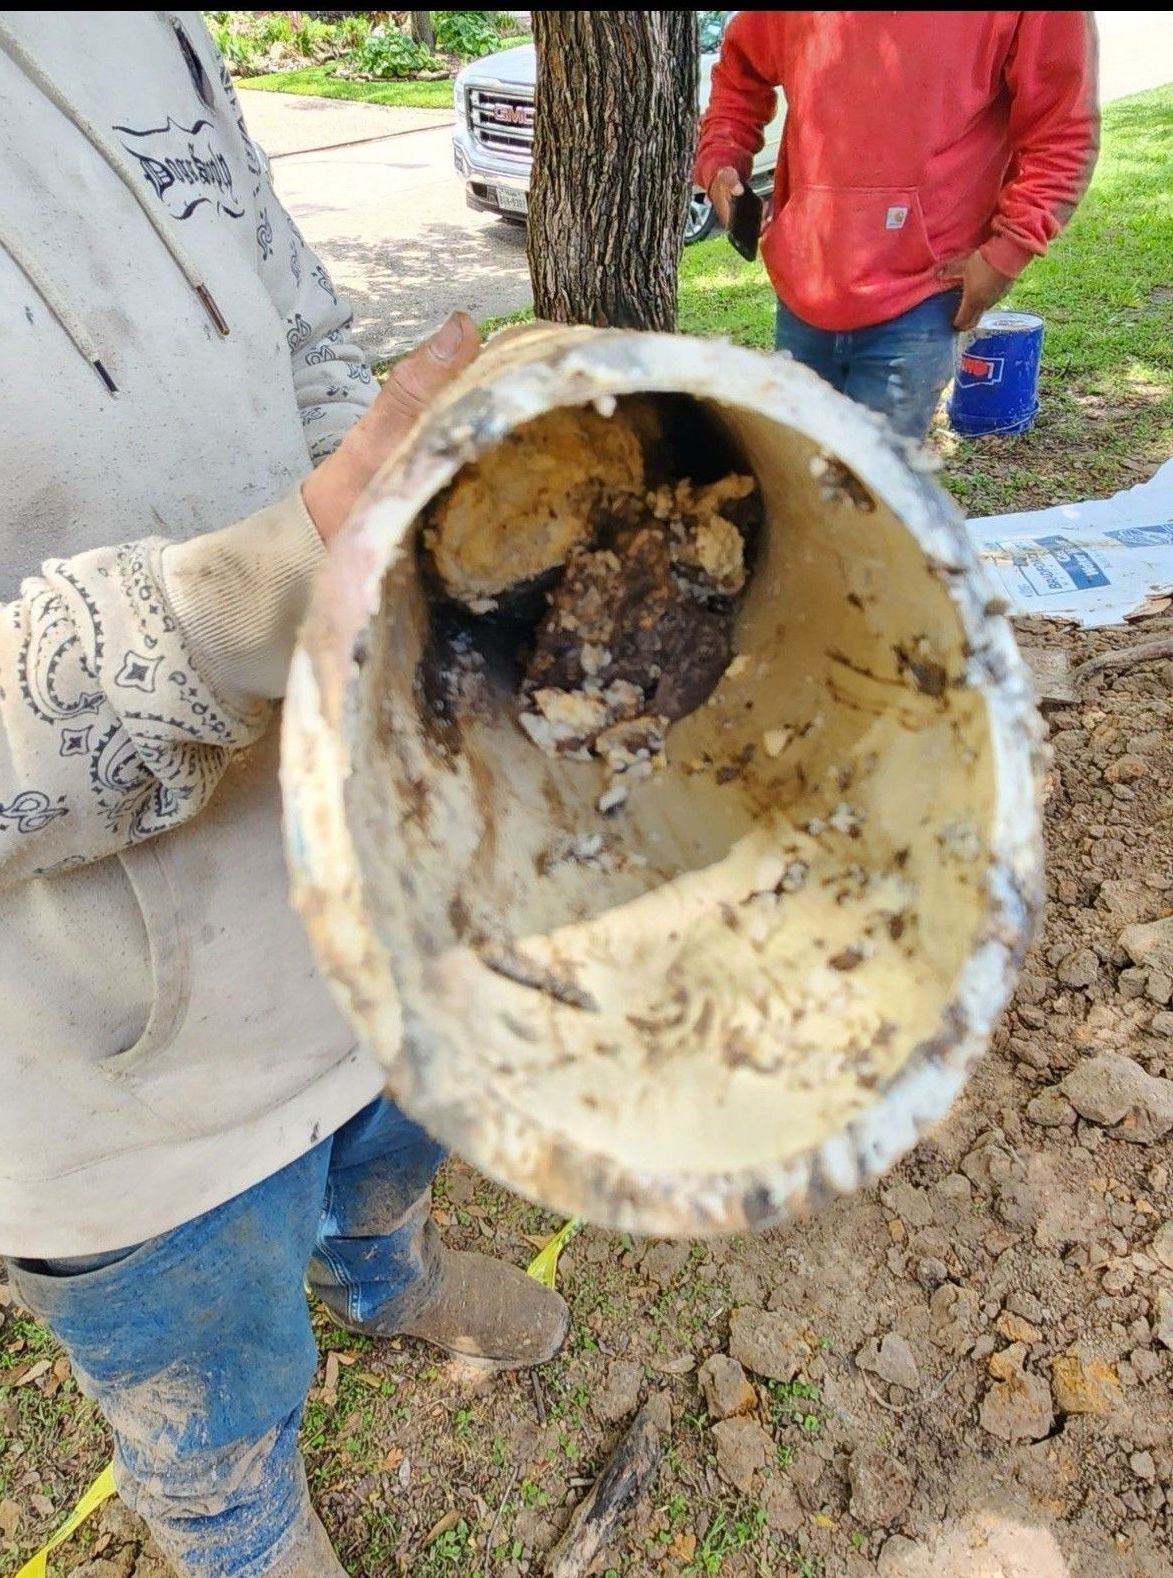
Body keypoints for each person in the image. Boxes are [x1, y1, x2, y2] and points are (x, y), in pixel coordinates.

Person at [0, 13, 566, 1577]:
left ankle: (380, 1275)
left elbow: (293, 330)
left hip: (360, 888)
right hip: (110, 1056)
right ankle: (232, 1516)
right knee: (209, 1374)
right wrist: (245, 601)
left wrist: (430, 518)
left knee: (388, 1149)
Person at [696, 11, 1100, 440]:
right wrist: (722, 156)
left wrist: (1007, 254)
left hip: (921, 292)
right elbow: (741, 71)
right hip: (803, 282)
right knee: (803, 468)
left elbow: (1063, 133)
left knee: (869, 477)